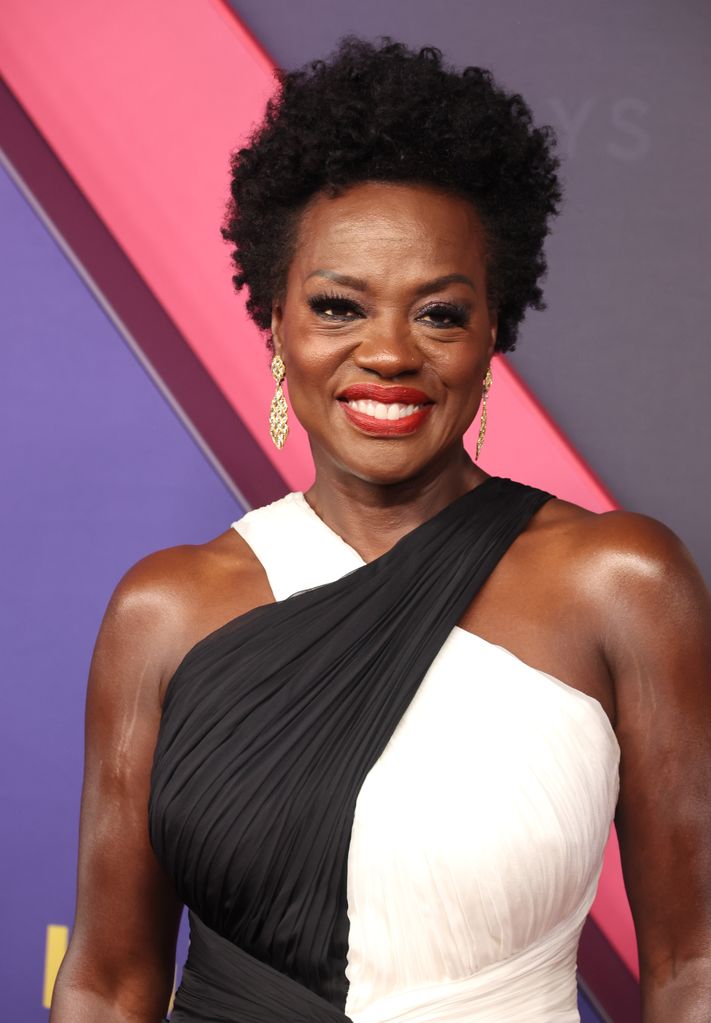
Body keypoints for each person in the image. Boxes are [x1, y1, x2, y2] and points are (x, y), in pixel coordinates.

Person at [50, 36, 711, 1023]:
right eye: (338, 307)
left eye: (439, 314)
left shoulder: (620, 584)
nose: (390, 352)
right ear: (277, 322)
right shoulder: (166, 612)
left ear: (495, 333)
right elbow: (107, 983)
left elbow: (694, 965)